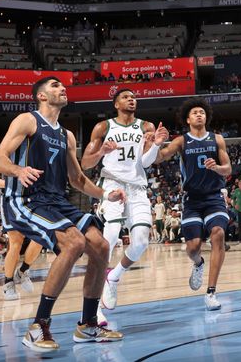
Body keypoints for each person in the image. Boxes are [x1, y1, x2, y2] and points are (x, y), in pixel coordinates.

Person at [0, 77, 125, 352]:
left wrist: (104, 194)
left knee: (100, 245)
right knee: (74, 242)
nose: (62, 88)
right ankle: (38, 325)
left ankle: (87, 325)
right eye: (54, 85)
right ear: (40, 95)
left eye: (63, 86)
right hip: (25, 199)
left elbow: (76, 179)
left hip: (55, 201)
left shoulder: (67, 135)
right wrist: (18, 171)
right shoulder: (28, 120)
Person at [80, 88, 166, 318]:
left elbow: (146, 163)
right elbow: (85, 163)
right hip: (112, 184)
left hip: (137, 187)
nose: (132, 99)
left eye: (134, 97)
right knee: (109, 237)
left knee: (140, 242)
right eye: (126, 97)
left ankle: (114, 276)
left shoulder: (146, 126)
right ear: (116, 103)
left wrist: (156, 144)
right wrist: (101, 153)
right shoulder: (104, 127)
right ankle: (94, 307)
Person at [154, 97, 232, 310]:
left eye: (202, 112)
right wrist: (155, 144)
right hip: (192, 201)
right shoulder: (181, 141)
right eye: (195, 112)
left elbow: (228, 170)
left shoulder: (217, 139)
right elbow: (159, 158)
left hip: (214, 197)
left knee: (218, 233)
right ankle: (198, 263)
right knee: (193, 247)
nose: (199, 114)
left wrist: (217, 167)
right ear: (188, 119)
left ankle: (211, 293)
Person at [0, 169, 43, 301]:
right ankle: (8, 283)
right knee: (16, 242)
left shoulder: (38, 151)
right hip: (11, 199)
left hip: (33, 198)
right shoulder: (5, 150)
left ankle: (23, 270)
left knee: (42, 236)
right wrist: (11, 183)